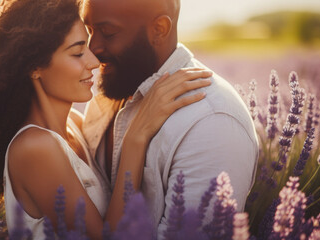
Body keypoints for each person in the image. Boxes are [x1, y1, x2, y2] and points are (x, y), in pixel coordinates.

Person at [0, 0, 212, 239]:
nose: (94, 61)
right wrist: (136, 135)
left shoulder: (73, 124)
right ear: (34, 67)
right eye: (77, 53)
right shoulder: (34, 147)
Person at [80, 0, 259, 236]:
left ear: (159, 29)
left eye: (108, 32)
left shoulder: (211, 122)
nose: (92, 48)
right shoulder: (114, 93)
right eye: (89, 31)